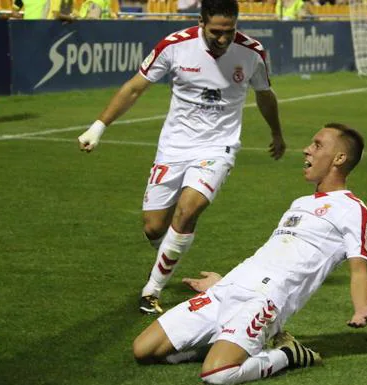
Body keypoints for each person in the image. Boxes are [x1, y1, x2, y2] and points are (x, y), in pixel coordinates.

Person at [77, 0, 286, 314]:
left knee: (188, 210)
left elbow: (264, 95)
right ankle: (171, 245)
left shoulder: (252, 52)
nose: (223, 38)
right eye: (216, 31)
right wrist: (98, 126)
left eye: (229, 31)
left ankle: (152, 289)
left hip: (219, 147)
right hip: (174, 147)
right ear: (201, 21)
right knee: (153, 227)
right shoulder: (175, 46)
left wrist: (276, 133)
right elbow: (134, 88)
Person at [132, 123, 367, 384]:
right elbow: (273, 256)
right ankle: (222, 342)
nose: (306, 150)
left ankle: (288, 354)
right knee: (143, 349)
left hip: (264, 300)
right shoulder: (300, 203)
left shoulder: (353, 210)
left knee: (217, 374)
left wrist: (361, 305)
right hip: (227, 289)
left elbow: (359, 270)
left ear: (339, 158)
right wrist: (223, 282)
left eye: (317, 145)